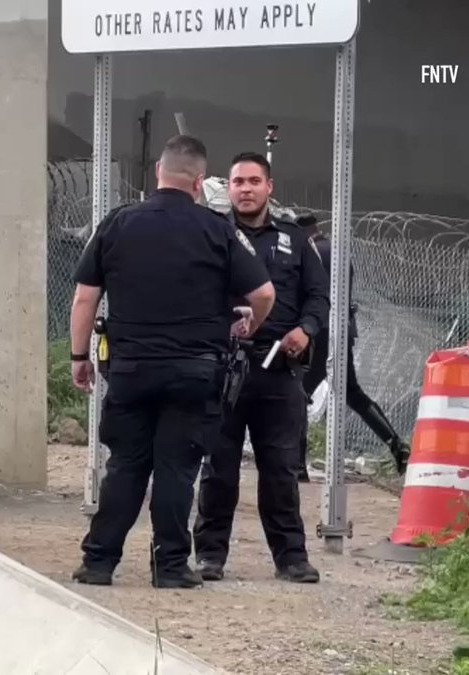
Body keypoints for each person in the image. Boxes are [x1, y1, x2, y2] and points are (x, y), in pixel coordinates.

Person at [69, 135, 276, 589]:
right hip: (194, 372)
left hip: (130, 369)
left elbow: (86, 297)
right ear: (199, 181)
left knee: (125, 465)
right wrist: (247, 324)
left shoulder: (118, 222)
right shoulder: (217, 230)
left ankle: (99, 562)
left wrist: (79, 356)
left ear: (158, 173)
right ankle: (171, 567)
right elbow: (263, 294)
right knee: (177, 470)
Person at [192, 152, 330, 585]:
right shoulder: (213, 234)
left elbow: (318, 297)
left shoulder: (295, 240)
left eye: (254, 181)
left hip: (280, 369)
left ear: (269, 186)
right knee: (218, 467)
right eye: (238, 182)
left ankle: (291, 558)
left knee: (281, 469)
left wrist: (306, 330)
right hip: (225, 367)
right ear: (228, 189)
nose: (246, 189)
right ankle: (209, 556)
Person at [295, 215, 411, 481]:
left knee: (298, 393)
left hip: (319, 331)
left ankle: (297, 466)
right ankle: (396, 443)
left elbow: (307, 293)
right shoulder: (336, 251)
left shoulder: (310, 252)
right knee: (352, 392)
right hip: (343, 330)